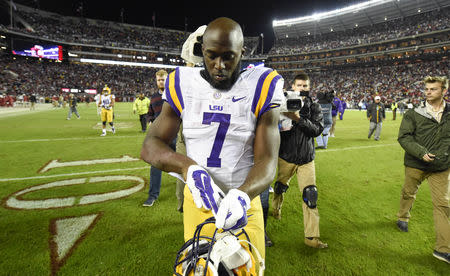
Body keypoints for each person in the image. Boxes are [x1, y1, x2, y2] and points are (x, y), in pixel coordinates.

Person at [140, 17, 283, 261]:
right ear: (202, 51)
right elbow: (150, 145)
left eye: (228, 56)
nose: (219, 65)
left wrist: (242, 195)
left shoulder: (262, 84)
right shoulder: (182, 83)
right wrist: (188, 168)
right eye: (211, 55)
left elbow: (268, 160)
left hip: (245, 199)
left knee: (246, 269)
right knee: (202, 268)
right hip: (199, 200)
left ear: (242, 52)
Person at [271, 73, 328, 249]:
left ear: (309, 87)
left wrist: (297, 118)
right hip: (285, 157)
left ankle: (311, 238)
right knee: (280, 187)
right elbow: (271, 128)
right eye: (299, 86)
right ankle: (276, 208)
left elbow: (317, 130)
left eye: (305, 86)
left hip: (306, 159)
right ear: (292, 86)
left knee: (310, 194)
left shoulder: (315, 107)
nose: (302, 89)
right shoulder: (281, 102)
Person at [396, 76, 449, 264]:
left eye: (433, 89)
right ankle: (403, 216)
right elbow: (404, 137)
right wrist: (421, 152)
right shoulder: (414, 112)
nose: (428, 92)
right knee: (409, 193)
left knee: (443, 205)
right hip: (415, 163)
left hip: (441, 167)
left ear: (444, 91)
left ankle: (443, 250)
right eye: (426, 89)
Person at [142, 70, 175, 207]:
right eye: (158, 80)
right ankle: (152, 196)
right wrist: (150, 121)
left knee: (188, 162)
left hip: (175, 136)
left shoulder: (174, 96)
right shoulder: (154, 97)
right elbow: (150, 113)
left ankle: (192, 192)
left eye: (163, 80)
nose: (160, 82)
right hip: (159, 138)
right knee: (155, 165)